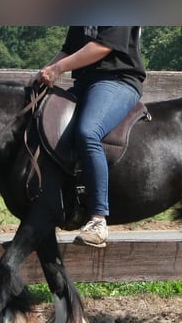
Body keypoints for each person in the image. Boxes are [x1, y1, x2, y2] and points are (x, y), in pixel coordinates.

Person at [37, 26, 146, 247]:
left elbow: (103, 46)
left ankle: (98, 220)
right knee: (44, 125)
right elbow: (68, 49)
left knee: (88, 133)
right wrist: (44, 71)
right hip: (84, 84)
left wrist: (57, 69)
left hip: (118, 81)